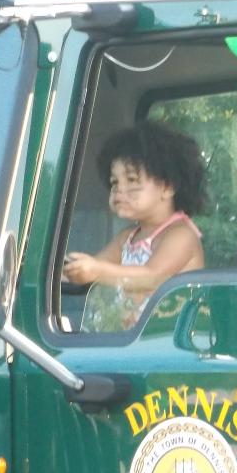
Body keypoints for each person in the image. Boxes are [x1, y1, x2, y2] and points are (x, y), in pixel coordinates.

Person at [64, 121, 206, 332]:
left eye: (131, 180)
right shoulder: (127, 237)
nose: (119, 190)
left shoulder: (181, 235)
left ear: (167, 187)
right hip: (133, 340)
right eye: (114, 182)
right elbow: (90, 266)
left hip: (170, 341)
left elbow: (152, 277)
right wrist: (61, 270)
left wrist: (96, 270)